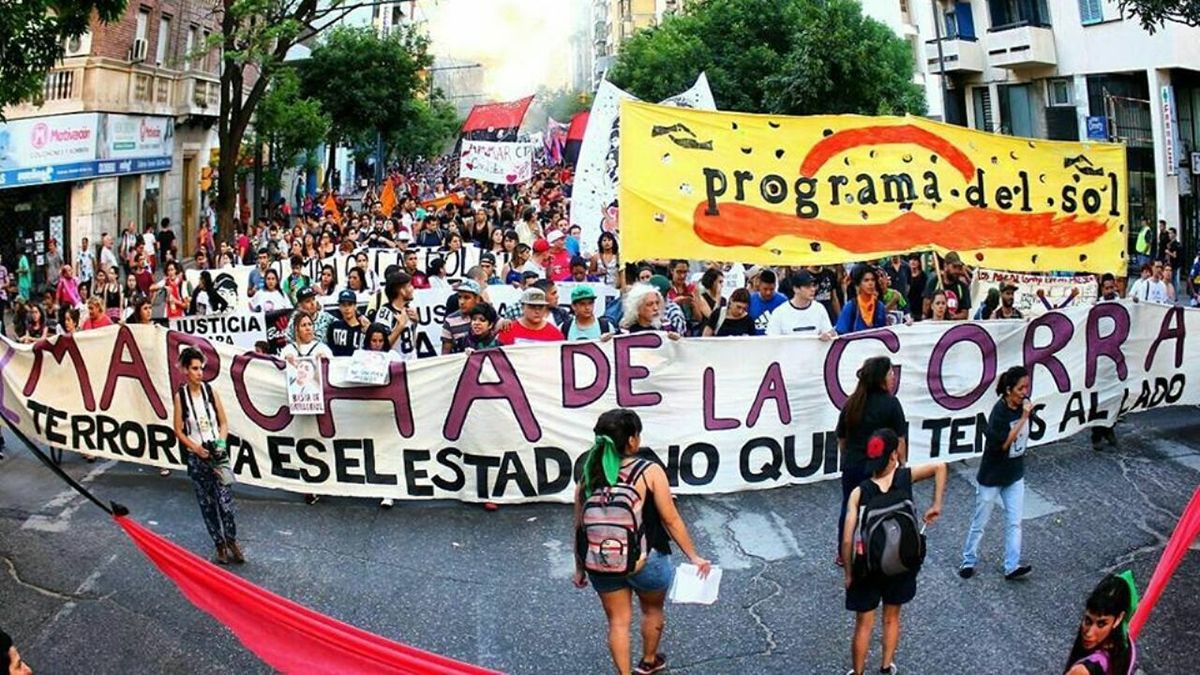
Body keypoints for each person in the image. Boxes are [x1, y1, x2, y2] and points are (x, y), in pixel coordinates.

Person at [573, 408, 712, 675]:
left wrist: (580, 567)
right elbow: (670, 519)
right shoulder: (649, 471)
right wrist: (694, 556)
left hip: (601, 562)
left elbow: (579, 526)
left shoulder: (589, 472)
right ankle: (649, 661)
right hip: (647, 559)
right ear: (633, 440)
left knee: (617, 622)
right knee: (651, 610)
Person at [841, 429, 945, 675]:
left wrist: (848, 572)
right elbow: (940, 466)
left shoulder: (860, 492)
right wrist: (936, 504)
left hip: (868, 567)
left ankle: (857, 673)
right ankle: (886, 668)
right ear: (894, 455)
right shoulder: (905, 478)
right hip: (902, 563)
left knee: (864, 624)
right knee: (891, 617)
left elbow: (847, 541)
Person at [959, 365, 1035, 581]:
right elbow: (1003, 444)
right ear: (1009, 390)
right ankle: (969, 560)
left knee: (1015, 521)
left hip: (1014, 474)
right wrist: (1023, 419)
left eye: (1026, 387)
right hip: (992, 477)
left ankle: (1012, 566)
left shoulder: (1024, 405)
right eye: (1021, 388)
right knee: (980, 522)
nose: (1025, 392)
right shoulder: (999, 413)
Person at [172, 347, 243, 564]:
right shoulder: (181, 397)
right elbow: (178, 429)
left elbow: (223, 422)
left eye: (200, 368)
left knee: (225, 501)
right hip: (197, 455)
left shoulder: (210, 392)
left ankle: (231, 540)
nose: (199, 373)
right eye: (194, 369)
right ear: (185, 370)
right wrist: (194, 448)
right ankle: (219, 544)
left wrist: (221, 442)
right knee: (207, 504)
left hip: (217, 452)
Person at [835, 356, 907, 566]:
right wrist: (901, 465)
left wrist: (848, 457)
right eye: (890, 373)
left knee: (850, 509)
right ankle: (873, 551)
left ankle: (843, 552)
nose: (893, 377)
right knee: (880, 510)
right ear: (881, 378)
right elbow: (900, 439)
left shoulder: (852, 402)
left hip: (853, 465)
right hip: (880, 468)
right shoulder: (891, 404)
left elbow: (842, 437)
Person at [1064, 573, 1139, 675]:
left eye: (1101, 624)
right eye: (1088, 621)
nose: (1089, 633)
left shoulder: (1082, 671)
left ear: (1118, 618)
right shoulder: (1127, 646)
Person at [767, 270, 836, 339]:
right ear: (796, 289)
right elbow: (772, 340)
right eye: (807, 287)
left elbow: (829, 332)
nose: (813, 289)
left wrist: (828, 335)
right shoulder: (779, 313)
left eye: (813, 286)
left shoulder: (819, 309)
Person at [498, 287, 565, 345]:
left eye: (541, 307)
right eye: (532, 306)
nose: (537, 311)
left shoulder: (555, 333)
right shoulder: (508, 330)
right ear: (522, 307)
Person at [836, 266, 888, 335]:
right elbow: (841, 332)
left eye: (873, 280)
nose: (870, 283)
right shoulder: (850, 306)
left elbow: (884, 333)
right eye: (866, 280)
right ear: (858, 285)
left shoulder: (880, 306)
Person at [922, 251, 971, 319]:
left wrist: (952, 317)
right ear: (945, 266)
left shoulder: (962, 287)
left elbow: (965, 314)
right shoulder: (934, 282)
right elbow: (925, 309)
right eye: (954, 267)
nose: (957, 270)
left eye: (959, 267)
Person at [441, 279, 483, 354]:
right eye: (459, 297)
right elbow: (445, 354)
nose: (462, 302)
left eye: (467, 297)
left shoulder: (488, 315)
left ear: (477, 299)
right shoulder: (450, 321)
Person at [328, 289, 369, 357]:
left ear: (355, 306)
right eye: (344, 305)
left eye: (350, 305)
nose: (347, 308)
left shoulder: (363, 328)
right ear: (339, 307)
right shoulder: (334, 326)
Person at [749, 269, 787, 334]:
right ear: (759, 285)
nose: (768, 293)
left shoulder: (783, 301)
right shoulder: (750, 300)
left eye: (771, 289)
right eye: (765, 289)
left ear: (775, 286)